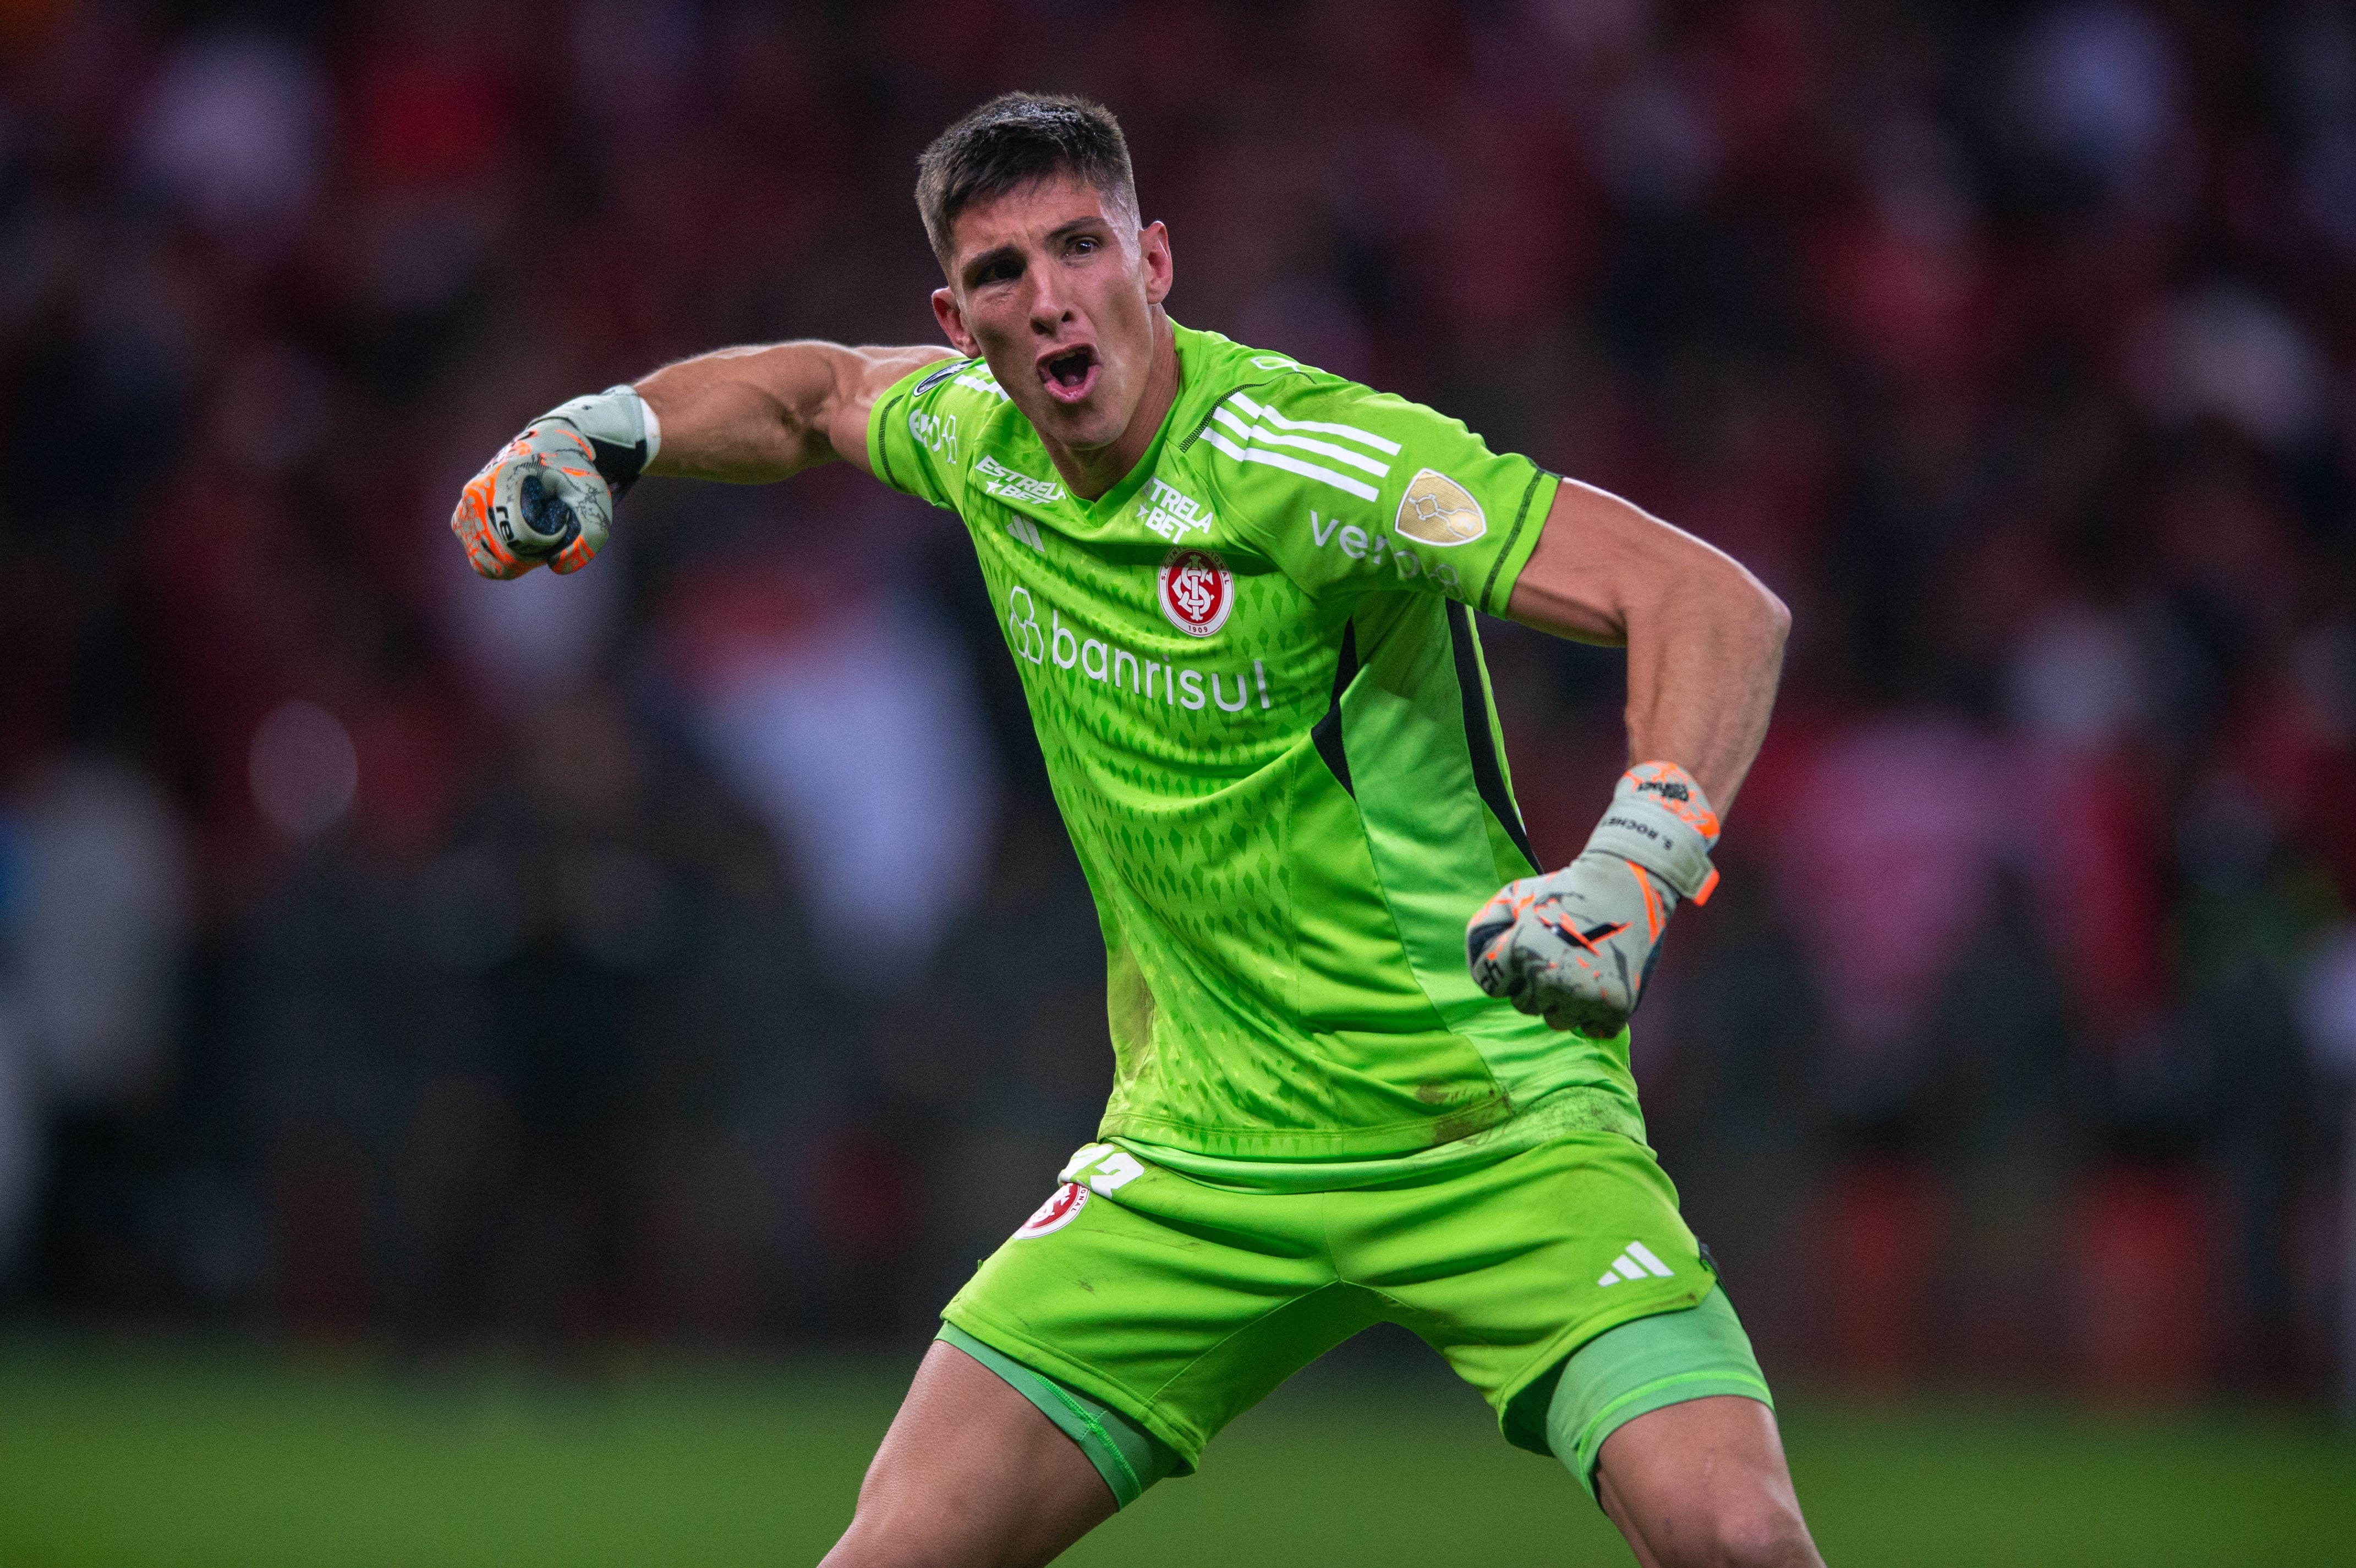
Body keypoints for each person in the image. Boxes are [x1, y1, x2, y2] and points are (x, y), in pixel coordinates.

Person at [453, 92, 1812, 1568]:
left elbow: (1709, 599)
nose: (1045, 300)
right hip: (1199, 1155)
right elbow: (816, 391)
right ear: (957, 317)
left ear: (1151, 262)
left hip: (1484, 1124)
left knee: (1733, 1534)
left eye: (1077, 247)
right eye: (997, 275)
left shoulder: (1309, 460)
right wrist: (609, 428)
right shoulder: (977, 440)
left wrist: (1635, 862)